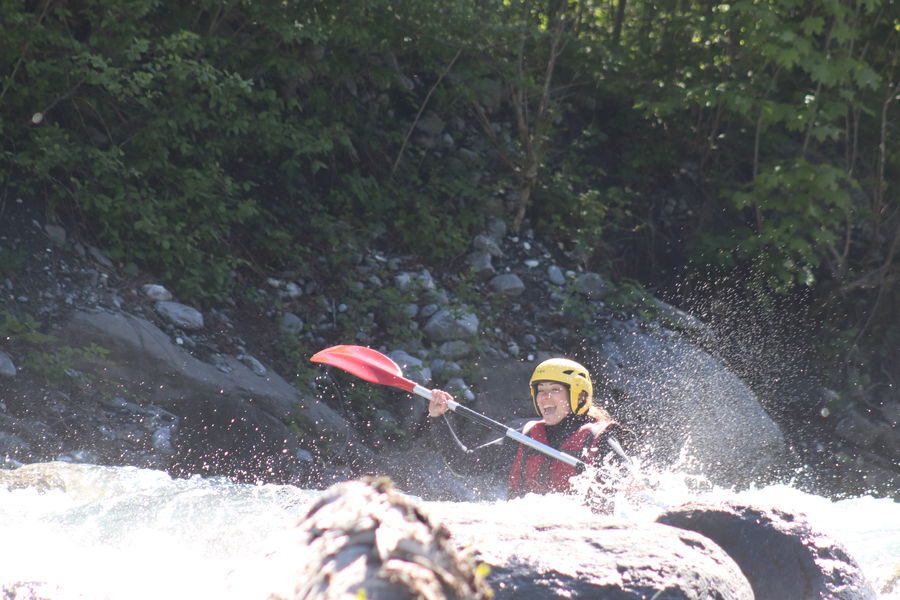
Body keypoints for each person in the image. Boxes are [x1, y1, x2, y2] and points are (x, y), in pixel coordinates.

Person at [427, 357, 635, 498]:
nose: (545, 396)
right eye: (541, 390)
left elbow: (630, 479)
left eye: (555, 390)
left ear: (579, 395)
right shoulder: (523, 438)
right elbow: (463, 464)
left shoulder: (598, 439)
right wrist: (438, 418)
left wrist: (628, 484)